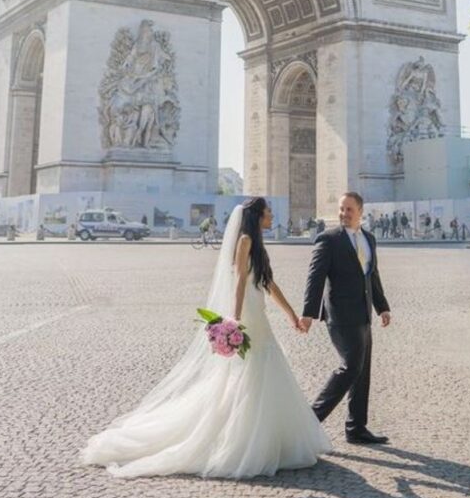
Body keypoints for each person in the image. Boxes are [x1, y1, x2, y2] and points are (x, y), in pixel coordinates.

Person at [81, 197, 330, 478]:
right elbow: (238, 282)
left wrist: (290, 315)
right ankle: (245, 437)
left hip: (258, 313)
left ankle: (265, 436)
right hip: (248, 314)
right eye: (268, 211)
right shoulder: (245, 240)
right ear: (258, 215)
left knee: (262, 371)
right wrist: (234, 322)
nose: (272, 215)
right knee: (250, 373)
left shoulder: (257, 242)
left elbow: (268, 282)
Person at [300, 192, 391, 445]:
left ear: (360, 211)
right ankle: (309, 421)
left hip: (363, 313)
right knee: (350, 367)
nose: (344, 214)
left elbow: (372, 275)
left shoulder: (369, 239)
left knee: (362, 372)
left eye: (349, 209)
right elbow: (315, 277)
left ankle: (356, 428)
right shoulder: (328, 239)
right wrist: (308, 313)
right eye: (341, 209)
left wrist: (382, 306)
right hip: (340, 314)